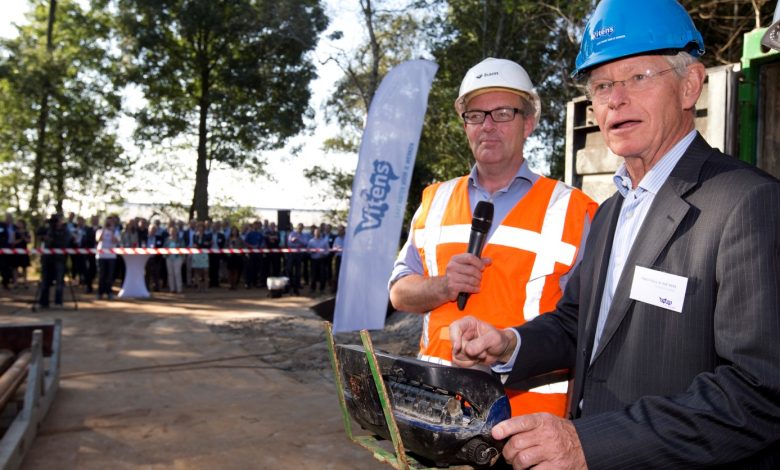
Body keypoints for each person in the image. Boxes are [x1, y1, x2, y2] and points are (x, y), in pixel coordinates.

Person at [448, 1, 780, 468]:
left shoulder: (747, 204)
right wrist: (508, 343)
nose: (615, 99)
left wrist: (591, 443)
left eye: (639, 77)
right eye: (602, 85)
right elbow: (576, 325)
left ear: (690, 85)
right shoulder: (609, 213)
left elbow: (759, 392)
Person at [388, 57, 597, 418]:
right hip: (439, 408)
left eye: (502, 113)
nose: (487, 126)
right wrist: (442, 286)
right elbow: (398, 292)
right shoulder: (434, 200)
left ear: (528, 123)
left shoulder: (575, 210)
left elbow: (588, 327)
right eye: (475, 115)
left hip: (530, 417)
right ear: (465, 125)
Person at [37, 214, 72, 308]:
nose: (56, 223)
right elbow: (38, 232)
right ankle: (43, 302)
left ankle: (58, 302)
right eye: (55, 221)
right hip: (47, 259)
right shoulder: (48, 229)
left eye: (57, 221)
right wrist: (44, 223)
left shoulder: (65, 231)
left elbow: (65, 243)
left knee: (59, 281)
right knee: (45, 281)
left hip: (59, 259)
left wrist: (52, 240)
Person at [96, 216, 119, 300]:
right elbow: (99, 239)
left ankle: (109, 292)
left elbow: (115, 241)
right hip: (101, 256)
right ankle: (100, 292)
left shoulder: (116, 231)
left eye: (110, 222)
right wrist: (104, 229)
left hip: (111, 256)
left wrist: (112, 231)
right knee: (102, 275)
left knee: (110, 276)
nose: (109, 224)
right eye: (107, 222)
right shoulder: (99, 231)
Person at [164, 225, 184, 293]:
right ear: (169, 232)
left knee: (177, 273)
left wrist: (183, 257)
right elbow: (164, 249)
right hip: (169, 258)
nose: (173, 232)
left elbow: (183, 249)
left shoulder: (180, 239)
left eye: (174, 231)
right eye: (171, 231)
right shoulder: (166, 240)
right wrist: (165, 255)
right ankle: (172, 288)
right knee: (170, 273)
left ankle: (179, 288)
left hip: (177, 258)